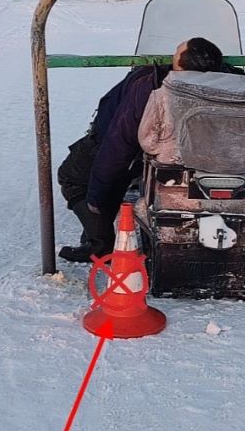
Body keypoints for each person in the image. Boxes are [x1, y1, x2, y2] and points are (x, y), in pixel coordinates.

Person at [57, 37, 225, 262]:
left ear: (180, 65)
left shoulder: (150, 88)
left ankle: (99, 242)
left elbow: (117, 146)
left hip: (128, 148)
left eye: (175, 52)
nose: (171, 55)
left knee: (73, 175)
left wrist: (96, 198)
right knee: (116, 175)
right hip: (179, 154)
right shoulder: (225, 85)